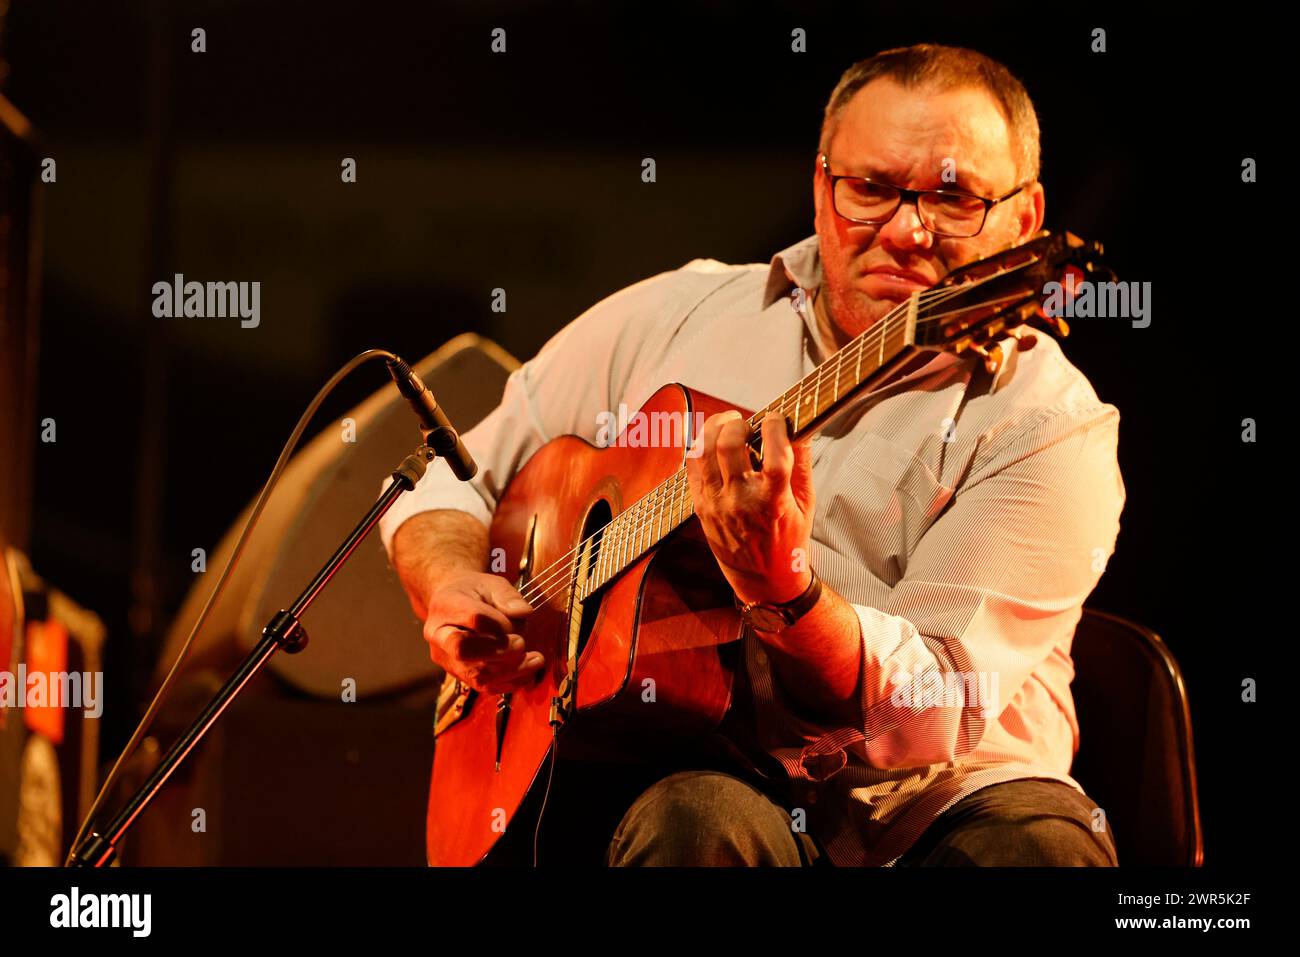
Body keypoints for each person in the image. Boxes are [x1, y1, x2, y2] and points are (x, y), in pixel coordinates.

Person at [379, 43, 1124, 867]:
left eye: (953, 198)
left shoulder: (1049, 421)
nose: (907, 231)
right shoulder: (678, 312)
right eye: (871, 188)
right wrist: (450, 578)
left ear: (1024, 219)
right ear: (819, 188)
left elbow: (927, 709)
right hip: (700, 770)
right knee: (693, 821)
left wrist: (785, 590)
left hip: (944, 804)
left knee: (1039, 852)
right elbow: (449, 474)